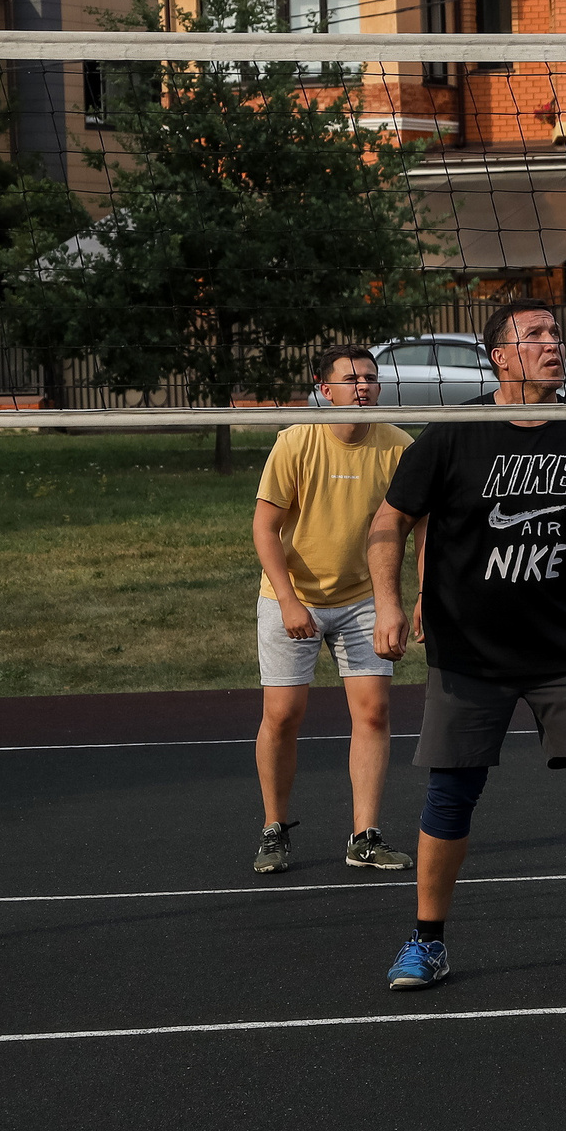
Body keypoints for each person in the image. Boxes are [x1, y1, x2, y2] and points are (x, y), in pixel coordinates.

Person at [367, 299, 566, 990]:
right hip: (470, 651)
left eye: (555, 333)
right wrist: (388, 602)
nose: (553, 343)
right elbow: (390, 520)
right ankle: (427, 940)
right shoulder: (453, 433)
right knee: (451, 794)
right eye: (535, 335)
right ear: (501, 357)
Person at [248, 345, 414, 875]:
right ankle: (274, 829)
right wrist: (289, 601)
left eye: (370, 377)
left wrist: (410, 599)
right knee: (282, 715)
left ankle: (365, 836)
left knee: (374, 712)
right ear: (325, 390)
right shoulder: (296, 442)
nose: (363, 386)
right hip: (291, 595)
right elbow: (264, 528)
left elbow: (423, 528)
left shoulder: (399, 446)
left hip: (362, 597)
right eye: (351, 379)